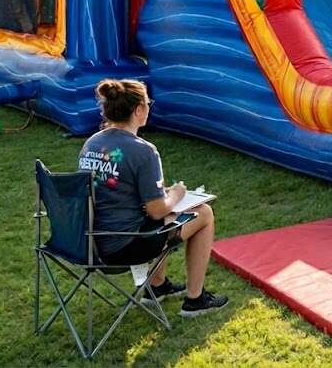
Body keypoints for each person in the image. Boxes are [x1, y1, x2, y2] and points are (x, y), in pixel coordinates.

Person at [79, 80, 228, 317]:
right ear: (138, 110)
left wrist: (162, 196)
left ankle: (156, 287)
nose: (149, 107)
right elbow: (157, 210)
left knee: (162, 213)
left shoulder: (92, 143)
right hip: (124, 246)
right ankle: (195, 300)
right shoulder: (144, 150)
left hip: (87, 243)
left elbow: (113, 189)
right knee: (204, 213)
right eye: (148, 104)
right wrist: (176, 193)